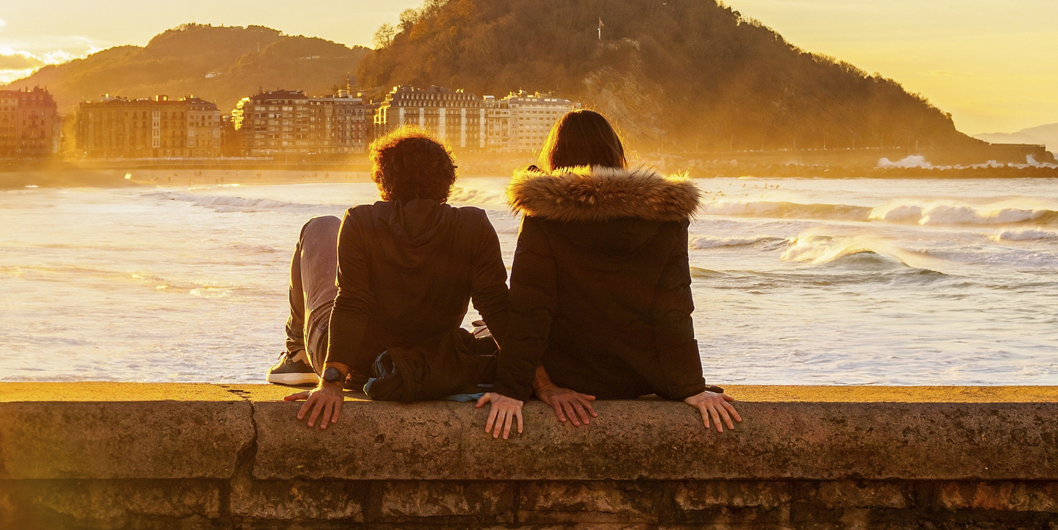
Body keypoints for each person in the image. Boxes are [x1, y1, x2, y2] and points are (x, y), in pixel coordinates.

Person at [278, 127, 537, 437]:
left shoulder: (359, 220)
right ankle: (298, 353)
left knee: (321, 226)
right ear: (447, 181)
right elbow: (496, 307)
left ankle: (296, 352)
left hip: (357, 368)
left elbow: (352, 304)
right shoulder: (474, 225)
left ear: (383, 179)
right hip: (421, 362)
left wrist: (332, 382)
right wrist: (539, 382)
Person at [506, 110, 741, 432]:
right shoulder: (665, 213)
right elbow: (672, 307)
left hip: (569, 379)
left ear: (555, 157)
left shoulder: (543, 214)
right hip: (639, 378)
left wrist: (515, 389)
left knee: (487, 330)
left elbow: (530, 308)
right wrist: (690, 387)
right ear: (616, 154)